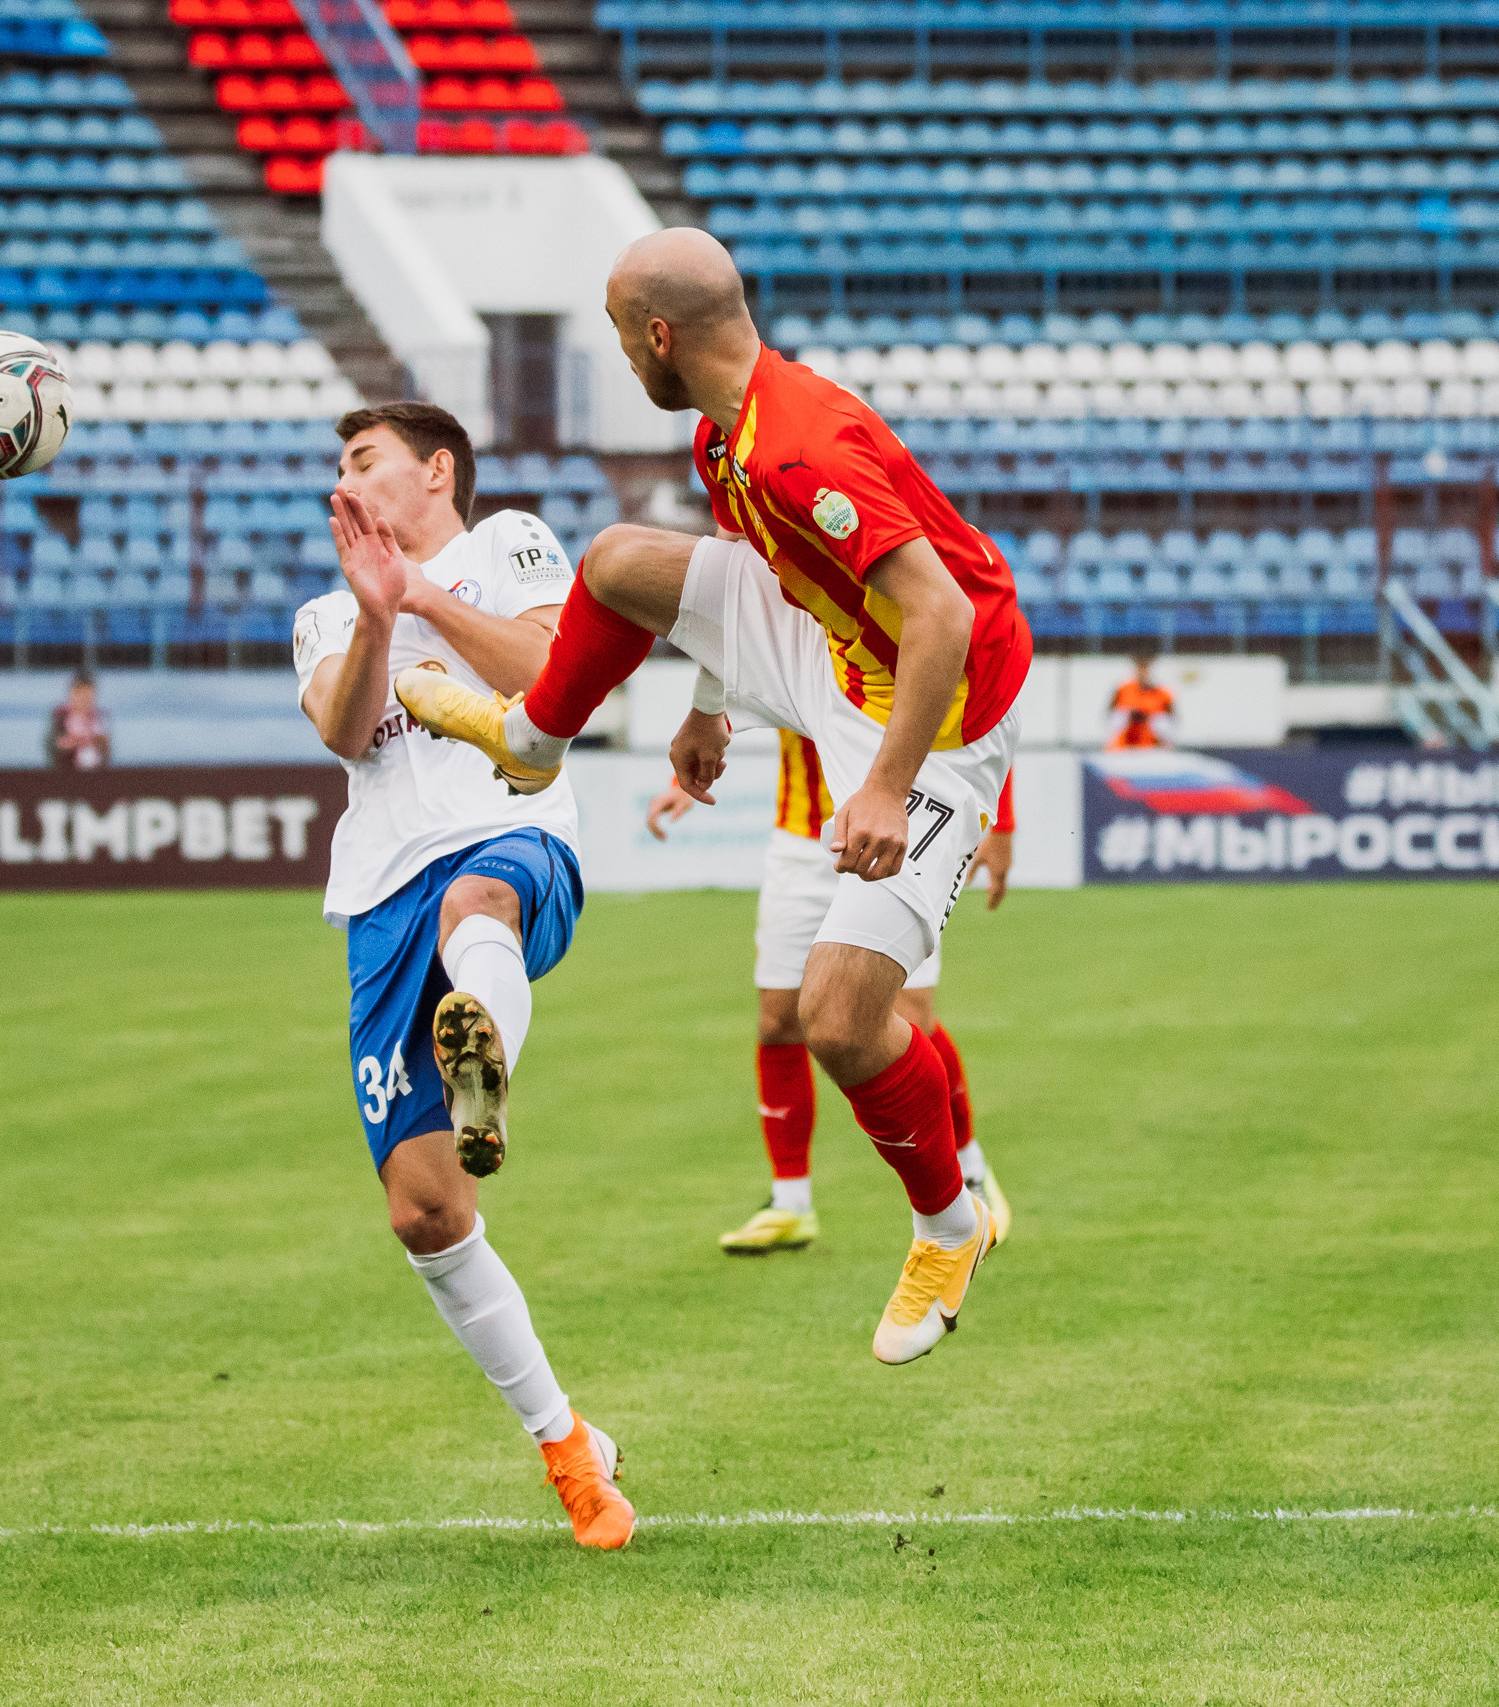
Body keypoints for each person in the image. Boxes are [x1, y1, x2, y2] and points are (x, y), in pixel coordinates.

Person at [396, 228, 1034, 1367]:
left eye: (613, 331)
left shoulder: (801, 448)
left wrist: (885, 789)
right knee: (619, 565)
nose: (616, 353)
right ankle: (532, 735)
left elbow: (945, 616)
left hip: (938, 720)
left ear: (658, 336)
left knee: (839, 1017)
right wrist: (711, 703)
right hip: (836, 654)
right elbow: (765, 578)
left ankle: (947, 1226)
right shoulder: (722, 437)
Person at [292, 400, 634, 1550]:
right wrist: (380, 618)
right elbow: (345, 732)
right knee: (425, 1210)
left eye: (363, 459)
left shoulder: (509, 545)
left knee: (472, 906)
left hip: (511, 837)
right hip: (378, 900)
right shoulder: (324, 615)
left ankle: (483, 1050)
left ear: (437, 471)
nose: (342, 480)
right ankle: (568, 1449)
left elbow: (550, 672)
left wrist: (428, 595)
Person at [646, 731, 1015, 1254]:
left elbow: (986, 708)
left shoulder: (916, 646)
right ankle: (789, 1202)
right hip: (800, 842)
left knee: (912, 1022)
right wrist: (689, 776)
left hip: (903, 834)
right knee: (778, 1020)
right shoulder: (788, 647)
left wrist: (1002, 825)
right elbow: (731, 690)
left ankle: (970, 1171)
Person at [1106, 643, 1177, 749]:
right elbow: (1110, 719)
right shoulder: (1122, 690)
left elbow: (1171, 723)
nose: (1142, 672)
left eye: (1145, 667)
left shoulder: (1162, 693)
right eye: (1139, 667)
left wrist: (1149, 718)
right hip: (1124, 748)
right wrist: (1129, 716)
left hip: (1152, 749)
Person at [49, 670, 112, 770]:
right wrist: (77, 741)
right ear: (72, 693)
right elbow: (56, 744)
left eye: (88, 694)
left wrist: (96, 741)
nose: (84, 699)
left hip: (96, 772)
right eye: (80, 693)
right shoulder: (61, 714)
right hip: (68, 772)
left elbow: (106, 747)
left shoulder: (101, 715)